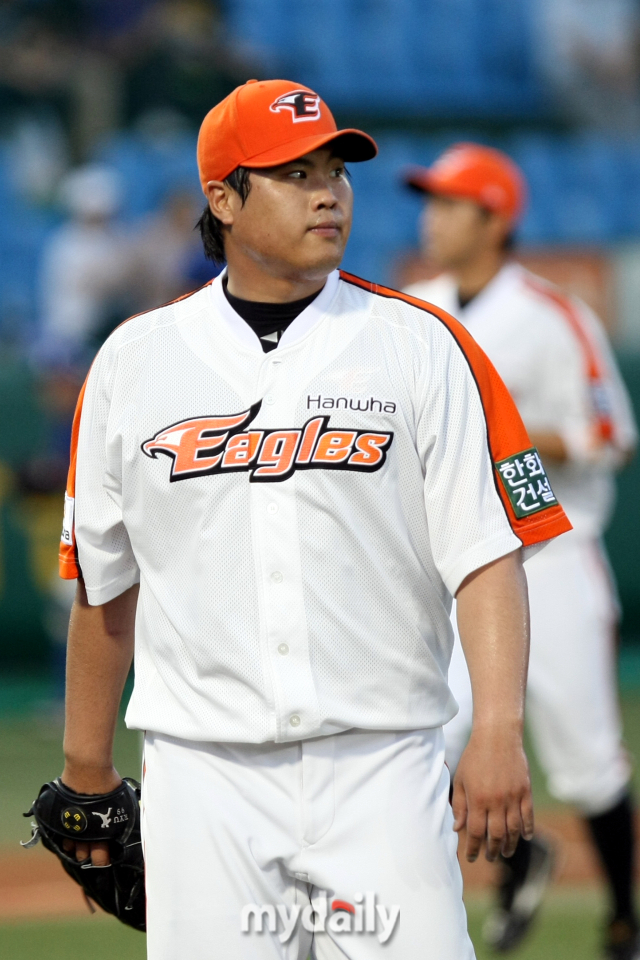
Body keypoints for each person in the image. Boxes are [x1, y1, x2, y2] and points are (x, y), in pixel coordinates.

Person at [57, 82, 570, 959]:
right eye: (294, 174)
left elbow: (488, 555)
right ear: (223, 199)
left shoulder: (422, 344)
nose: (328, 193)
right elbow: (104, 583)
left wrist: (496, 729)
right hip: (202, 777)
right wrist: (85, 771)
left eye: (335, 170)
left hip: (383, 767)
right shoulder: (132, 362)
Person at [403, 143, 638, 960]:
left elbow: (612, 432)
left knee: (586, 759)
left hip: (556, 555)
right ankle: (517, 859)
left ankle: (624, 919)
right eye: (430, 201)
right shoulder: (413, 311)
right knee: (437, 740)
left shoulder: (551, 313)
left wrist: (510, 435)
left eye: (449, 203)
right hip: (459, 562)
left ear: (495, 218)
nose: (431, 218)